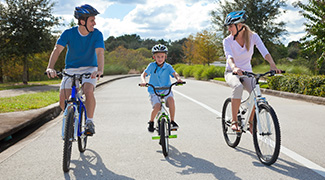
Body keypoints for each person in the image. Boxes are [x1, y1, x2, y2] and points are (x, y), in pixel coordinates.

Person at [46, 4, 104, 136]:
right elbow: (57, 50)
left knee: (88, 91)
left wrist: (99, 70)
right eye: (92, 20)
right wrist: (50, 67)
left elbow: (100, 53)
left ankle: (89, 121)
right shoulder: (68, 33)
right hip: (71, 69)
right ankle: (71, 117)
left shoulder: (97, 34)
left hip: (90, 68)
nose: (94, 23)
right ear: (82, 21)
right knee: (63, 101)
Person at [223, 10, 281, 132]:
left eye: (230, 26)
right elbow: (229, 57)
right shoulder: (227, 41)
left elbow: (264, 51)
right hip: (231, 72)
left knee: (256, 93)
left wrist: (272, 65)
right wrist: (234, 67)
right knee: (237, 87)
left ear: (240, 26)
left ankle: (250, 122)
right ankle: (234, 121)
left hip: (248, 72)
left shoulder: (253, 37)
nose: (229, 29)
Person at [140, 44, 183, 132]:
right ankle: (151, 122)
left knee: (171, 100)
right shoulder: (151, 66)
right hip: (154, 90)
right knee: (157, 106)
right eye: (158, 57)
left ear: (165, 57)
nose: (160, 59)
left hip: (166, 89)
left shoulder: (168, 67)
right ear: (154, 57)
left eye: (162, 56)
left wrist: (178, 79)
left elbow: (175, 73)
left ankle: (172, 121)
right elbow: (143, 75)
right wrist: (143, 81)